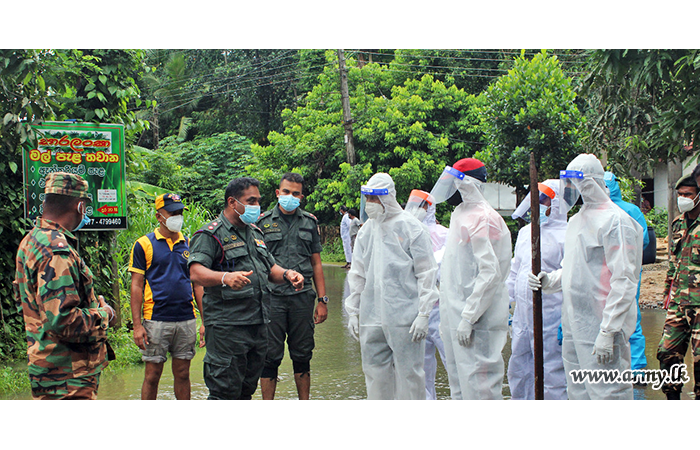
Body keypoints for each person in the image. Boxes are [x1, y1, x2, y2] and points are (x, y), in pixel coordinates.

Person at [529, 153, 643, 400]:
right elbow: (574, 270)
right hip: (574, 325)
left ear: (591, 181)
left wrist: (608, 330)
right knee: (578, 392)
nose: (574, 188)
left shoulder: (616, 222)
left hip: (601, 325)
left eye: (578, 181)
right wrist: (550, 281)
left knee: (608, 394)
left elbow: (624, 281)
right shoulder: (577, 220)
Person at [188, 177, 304, 400]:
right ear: (232, 202)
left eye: (258, 201)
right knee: (224, 392)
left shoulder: (255, 233)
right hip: (228, 329)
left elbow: (270, 270)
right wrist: (225, 277)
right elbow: (195, 272)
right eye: (251, 201)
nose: (256, 206)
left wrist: (289, 274)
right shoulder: (211, 234)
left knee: (246, 392)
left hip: (258, 326)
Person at [13, 172, 116, 400]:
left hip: (49, 370)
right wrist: (104, 314)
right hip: (68, 377)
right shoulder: (56, 251)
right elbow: (62, 320)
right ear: (80, 206)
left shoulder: (31, 241)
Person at [345, 173, 439, 399]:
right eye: (368, 199)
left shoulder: (411, 228)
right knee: (375, 373)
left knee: (410, 374)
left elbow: (427, 272)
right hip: (371, 316)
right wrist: (353, 311)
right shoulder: (367, 230)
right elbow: (358, 273)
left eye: (375, 199)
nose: (371, 205)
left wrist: (424, 313)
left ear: (388, 198)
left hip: (404, 316)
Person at [428, 158, 512, 400]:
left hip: (479, 321)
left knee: (480, 388)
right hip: (455, 316)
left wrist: (469, 316)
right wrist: (448, 319)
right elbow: (454, 271)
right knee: (458, 387)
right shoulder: (460, 214)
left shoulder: (484, 218)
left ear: (467, 184)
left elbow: (489, 273)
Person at [256, 172, 328, 400]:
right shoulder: (262, 222)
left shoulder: (309, 222)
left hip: (302, 297)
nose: (290, 196)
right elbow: (258, 264)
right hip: (272, 298)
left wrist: (322, 300)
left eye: (295, 193)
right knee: (269, 356)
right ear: (278, 193)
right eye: (286, 192)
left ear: (301, 197)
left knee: (303, 354)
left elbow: (316, 263)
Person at [129, 193, 204, 400]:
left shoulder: (189, 243)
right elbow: (136, 286)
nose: (177, 216)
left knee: (183, 373)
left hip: (186, 319)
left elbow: (197, 283)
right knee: (152, 375)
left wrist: (204, 320)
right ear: (158, 215)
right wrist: (137, 326)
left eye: (179, 212)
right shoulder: (143, 244)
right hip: (155, 320)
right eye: (172, 212)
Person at [506, 180, 567, 400]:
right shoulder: (525, 232)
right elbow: (515, 271)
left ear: (557, 203)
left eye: (544, 199)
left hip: (550, 315)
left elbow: (569, 274)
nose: (538, 204)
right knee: (519, 367)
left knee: (551, 371)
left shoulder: (567, 234)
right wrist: (506, 305)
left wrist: (548, 280)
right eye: (536, 199)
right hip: (522, 315)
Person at [656, 170, 700, 400]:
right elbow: (674, 262)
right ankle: (672, 399)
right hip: (678, 302)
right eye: (680, 194)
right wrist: (667, 293)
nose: (683, 198)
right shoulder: (677, 224)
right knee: (666, 352)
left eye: (688, 194)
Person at [405, 189, 448, 400]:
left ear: (429, 208)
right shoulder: (405, 233)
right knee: (420, 369)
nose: (414, 209)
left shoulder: (444, 234)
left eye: (419, 205)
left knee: (453, 363)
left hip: (442, 310)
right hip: (417, 310)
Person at [604, 172, 649, 374]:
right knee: (629, 311)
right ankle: (636, 367)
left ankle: (611, 364)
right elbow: (644, 240)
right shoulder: (631, 210)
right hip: (629, 270)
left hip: (603, 272)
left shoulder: (597, 211)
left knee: (605, 312)